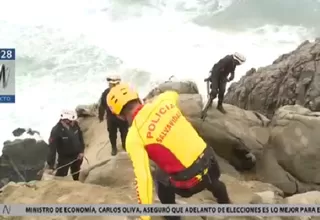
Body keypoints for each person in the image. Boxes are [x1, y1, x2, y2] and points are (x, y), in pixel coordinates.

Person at [107, 83, 231, 220]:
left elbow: (143, 178)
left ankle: (172, 216)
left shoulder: (134, 137)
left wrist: (145, 216)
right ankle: (226, 204)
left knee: (160, 178)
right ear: (139, 98)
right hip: (211, 163)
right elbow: (173, 93)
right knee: (215, 182)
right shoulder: (163, 101)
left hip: (189, 184)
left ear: (119, 116)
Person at [46, 110, 85, 181]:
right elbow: (52, 148)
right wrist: (51, 165)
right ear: (66, 120)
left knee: (76, 172)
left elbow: (80, 138)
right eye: (71, 120)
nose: (74, 121)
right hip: (64, 158)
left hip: (77, 155)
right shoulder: (56, 130)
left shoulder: (75, 125)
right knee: (60, 176)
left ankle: (76, 183)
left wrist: (81, 151)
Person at [98, 74, 128, 156]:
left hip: (122, 116)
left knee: (124, 132)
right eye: (111, 84)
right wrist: (101, 116)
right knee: (112, 133)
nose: (112, 86)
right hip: (111, 117)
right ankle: (114, 147)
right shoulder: (106, 93)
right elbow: (102, 105)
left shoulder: (124, 91)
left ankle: (124, 145)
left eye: (114, 84)